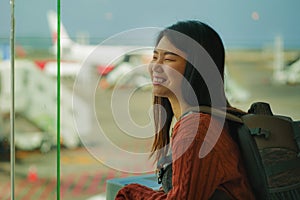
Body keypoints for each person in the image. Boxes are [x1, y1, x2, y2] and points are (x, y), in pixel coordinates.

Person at [115, 20, 255, 200]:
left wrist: (131, 192)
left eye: (168, 59)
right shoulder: (211, 120)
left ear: (197, 68)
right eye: (155, 57)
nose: (155, 66)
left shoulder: (197, 128)